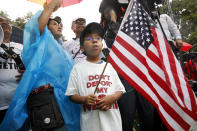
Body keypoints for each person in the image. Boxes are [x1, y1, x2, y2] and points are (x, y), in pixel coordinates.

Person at [0, 0, 80, 131]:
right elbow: (36, 28)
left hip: (66, 104)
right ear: (46, 29)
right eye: (54, 24)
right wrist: (50, 7)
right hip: (46, 103)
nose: (59, 26)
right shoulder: (38, 44)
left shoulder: (61, 51)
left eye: (60, 24)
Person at [99, 3, 155, 131]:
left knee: (148, 113)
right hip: (124, 77)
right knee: (127, 115)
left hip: (143, 72)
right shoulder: (108, 27)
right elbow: (111, 42)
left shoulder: (138, 18)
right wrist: (112, 21)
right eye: (107, 12)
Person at [66, 22, 125, 131]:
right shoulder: (77, 69)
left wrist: (112, 98)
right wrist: (84, 99)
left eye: (98, 38)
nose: (94, 41)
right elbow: (71, 94)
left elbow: (120, 90)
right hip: (91, 125)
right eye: (89, 39)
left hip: (113, 124)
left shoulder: (109, 66)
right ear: (82, 48)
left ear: (102, 45)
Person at [0, 16, 25, 126]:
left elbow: (33, 68)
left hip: (19, 104)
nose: (5, 23)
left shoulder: (22, 47)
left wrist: (28, 74)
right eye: (1, 21)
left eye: (7, 22)